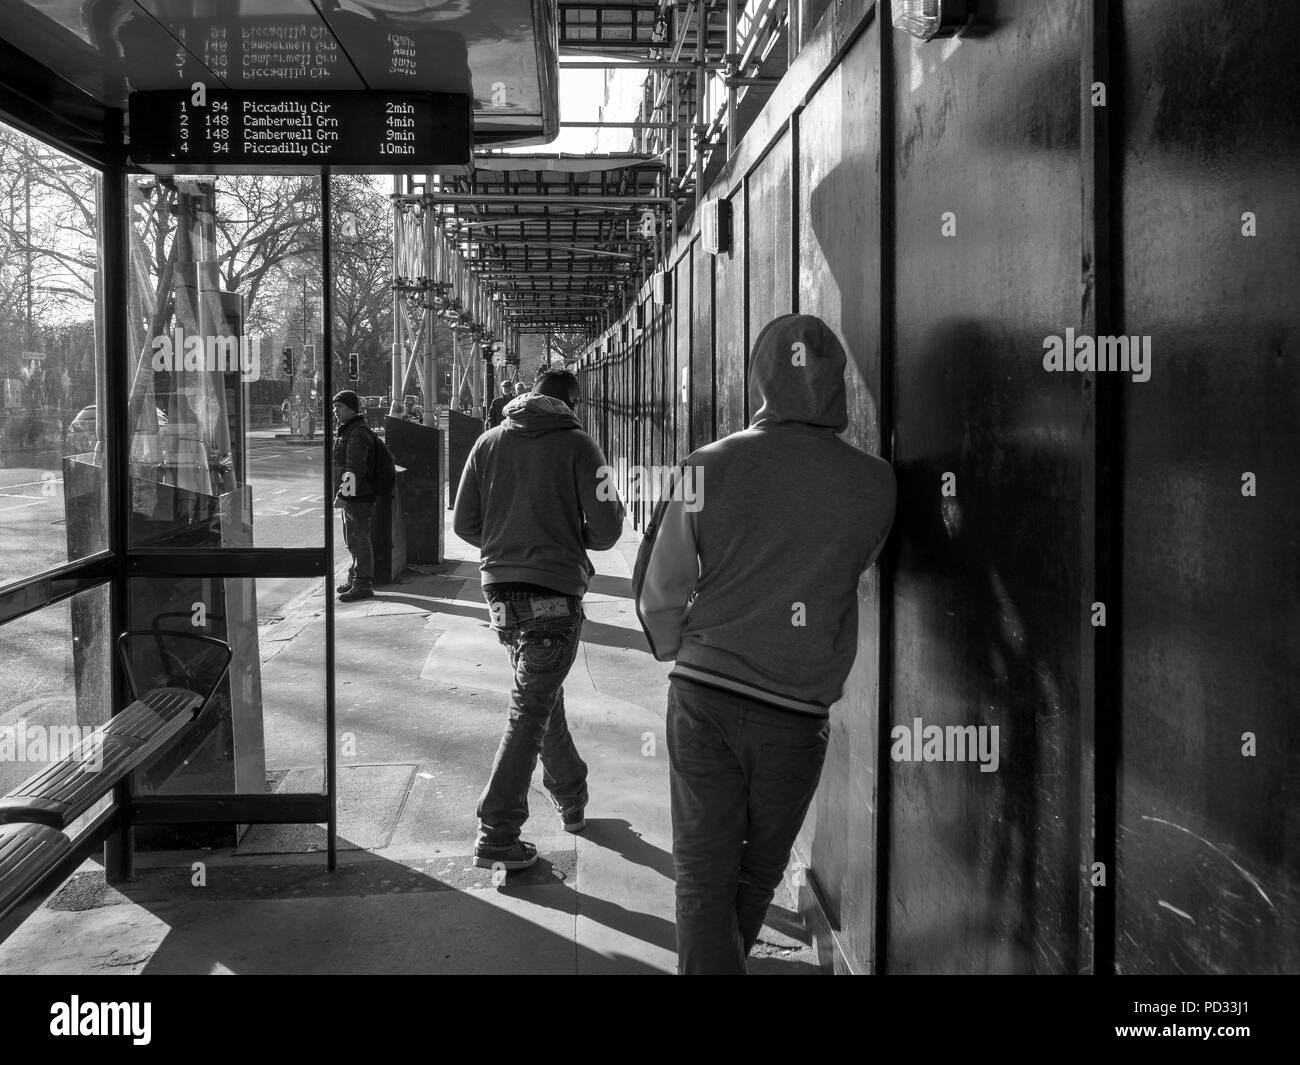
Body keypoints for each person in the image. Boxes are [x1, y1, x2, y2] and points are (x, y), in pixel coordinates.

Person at [633, 314, 897, 974]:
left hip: (705, 697)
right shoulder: (877, 483)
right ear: (838, 381)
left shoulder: (708, 464)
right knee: (756, 875)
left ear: (761, 378)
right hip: (796, 711)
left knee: (702, 878)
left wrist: (679, 647)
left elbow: (660, 591)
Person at [453, 369, 625, 871]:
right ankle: (497, 830)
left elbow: (465, 523)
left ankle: (571, 794)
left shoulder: (488, 442)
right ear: (572, 401)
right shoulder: (579, 445)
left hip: (500, 597)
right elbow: (609, 528)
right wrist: (567, 540)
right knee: (528, 709)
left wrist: (508, 544)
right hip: (554, 592)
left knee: (540, 695)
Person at [331, 389, 378, 602]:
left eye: (339, 407)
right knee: (352, 539)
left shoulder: (357, 433)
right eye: (334, 407)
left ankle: (363, 584)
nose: (335, 411)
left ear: (351, 409)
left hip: (358, 497)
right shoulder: (350, 430)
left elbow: (354, 468)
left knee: (359, 539)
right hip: (354, 495)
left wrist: (345, 495)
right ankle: (354, 577)